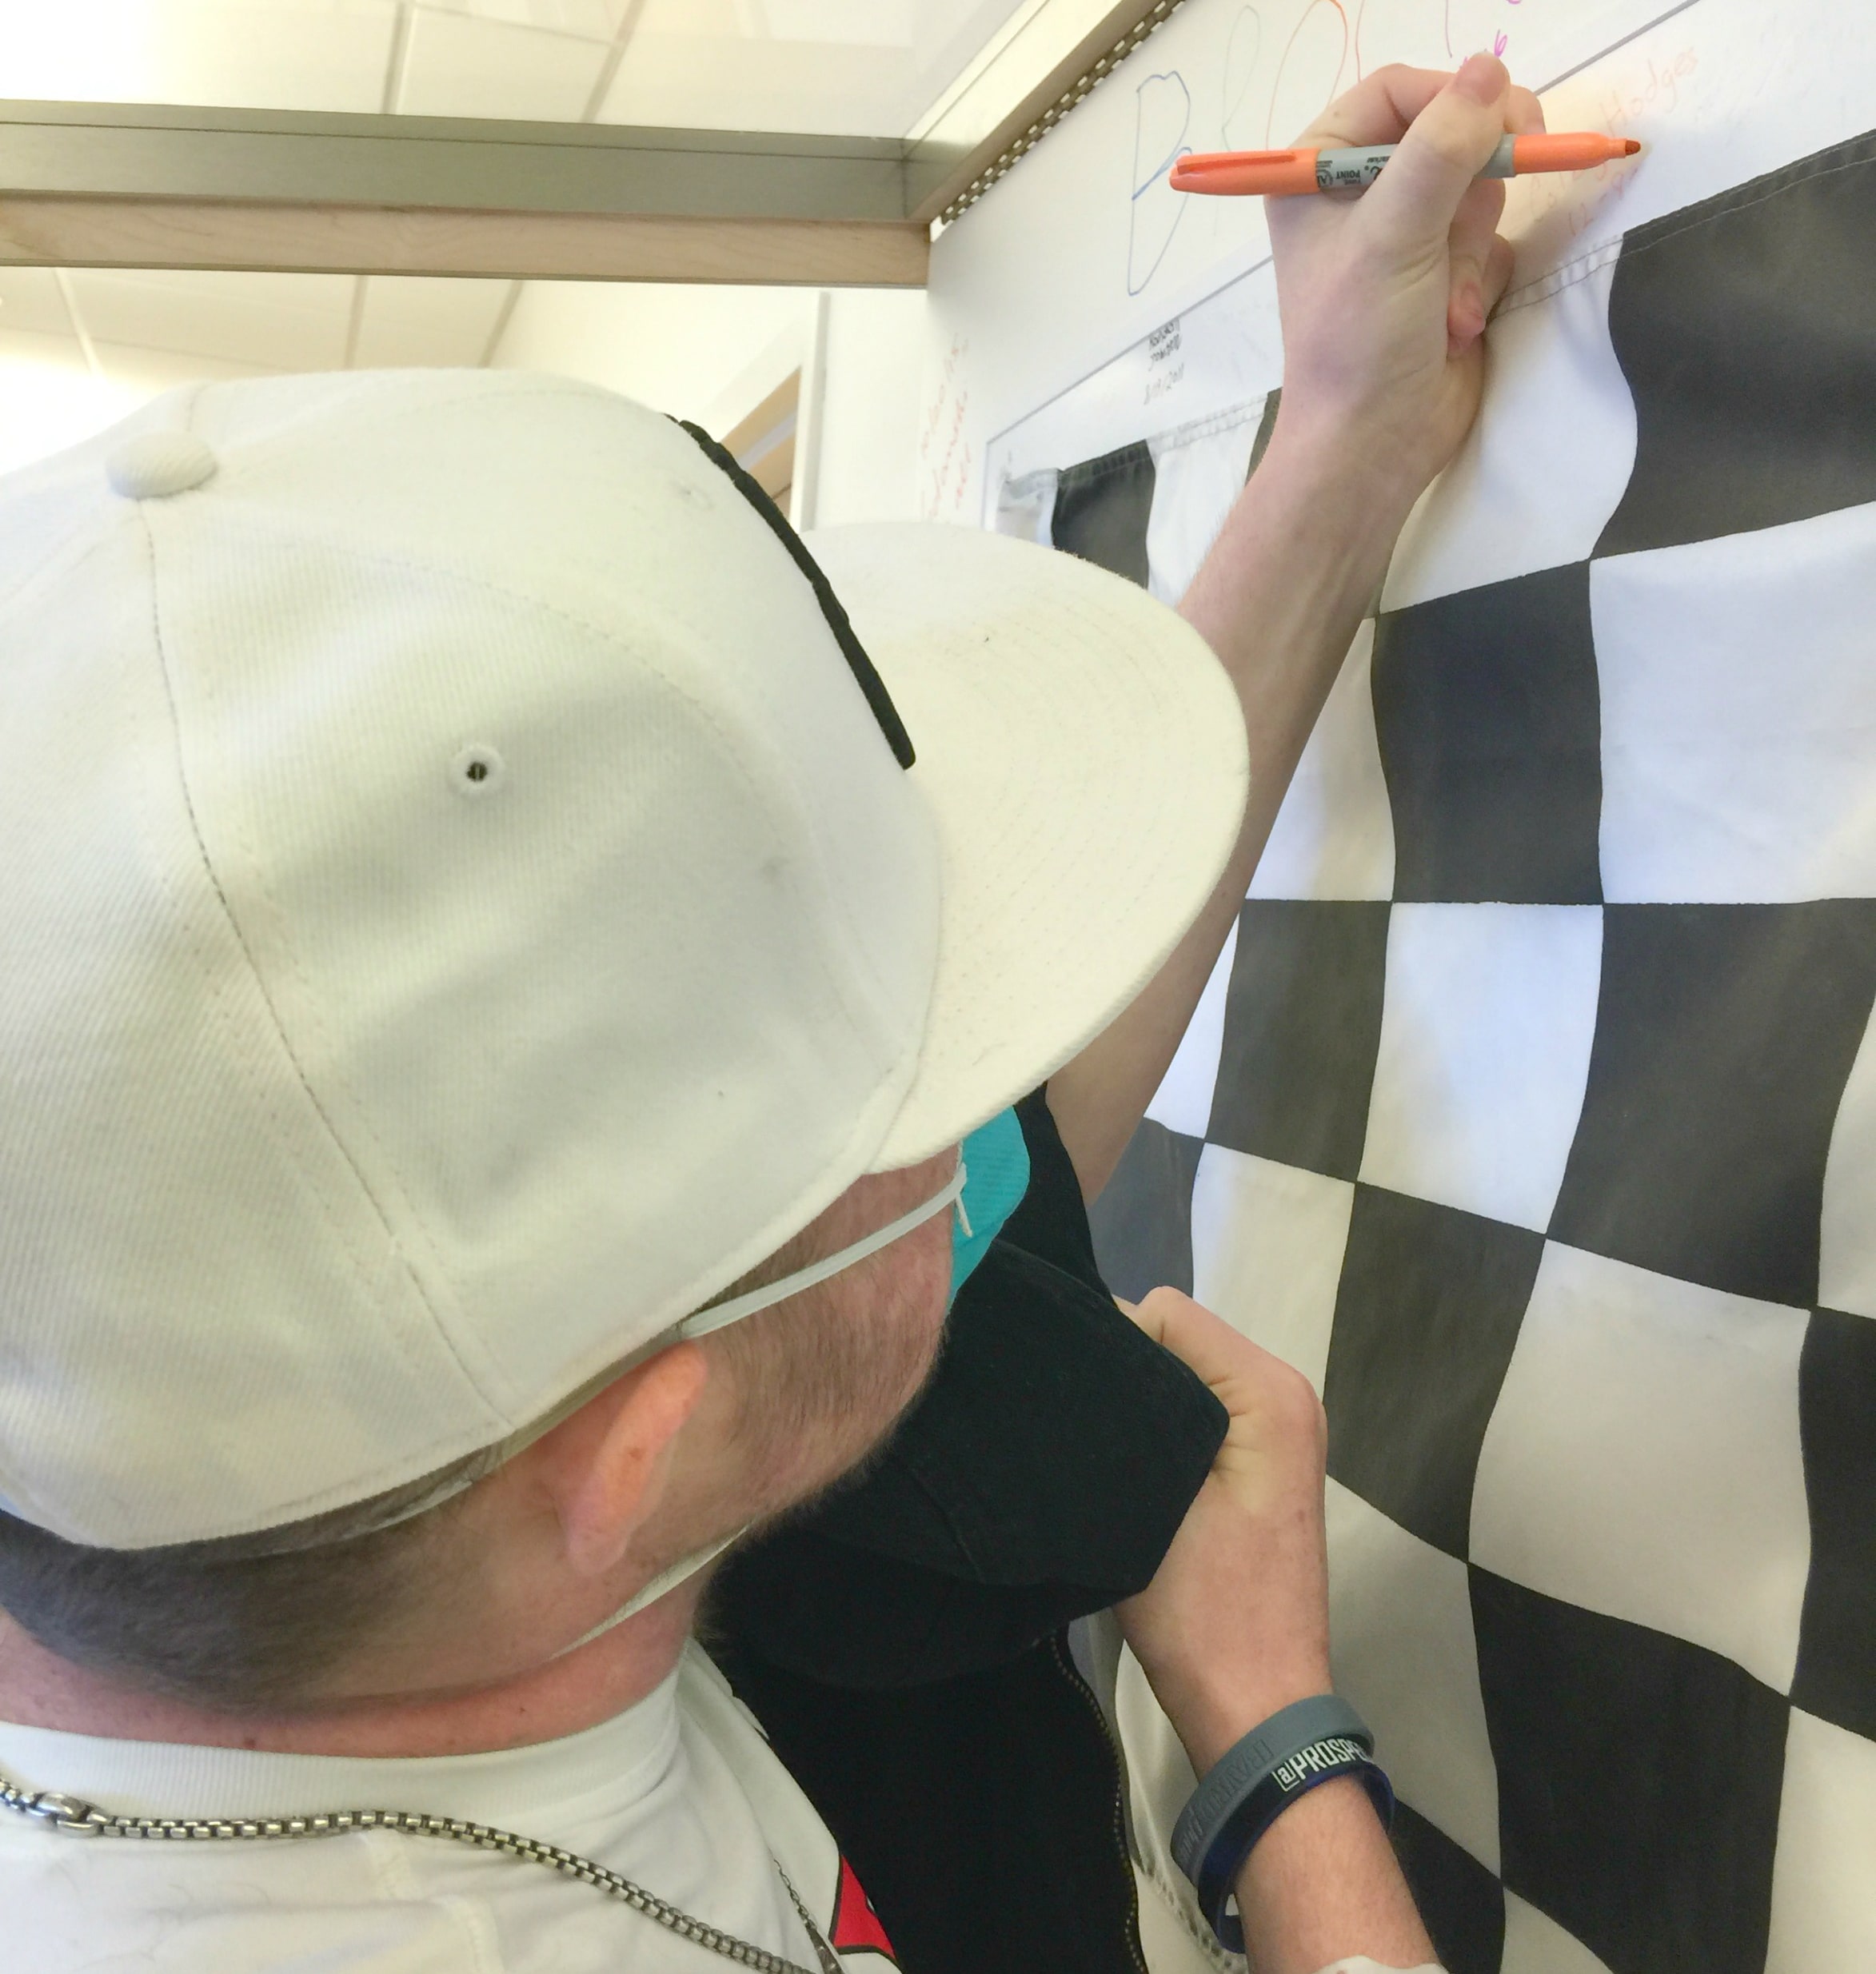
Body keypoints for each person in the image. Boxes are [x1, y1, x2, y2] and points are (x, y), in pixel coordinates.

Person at [0, 54, 1539, 1974]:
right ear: (637, 1458)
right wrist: (1281, 1758)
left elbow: (916, 1169)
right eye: (906, 1096)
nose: (970, 1111)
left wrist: (1339, 444)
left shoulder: (294, 1481)